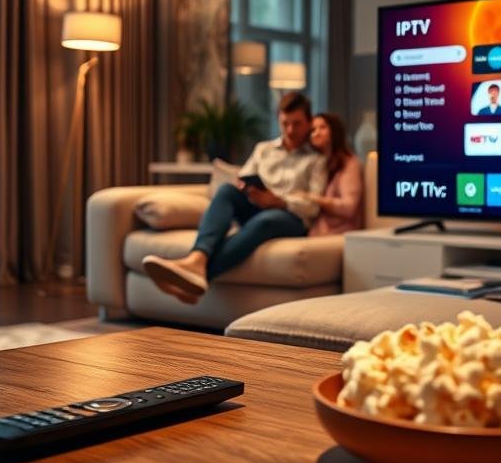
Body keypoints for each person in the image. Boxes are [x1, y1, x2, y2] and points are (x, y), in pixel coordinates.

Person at [143, 92, 327, 304]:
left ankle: (199, 275)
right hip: (255, 206)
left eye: (297, 124)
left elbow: (313, 206)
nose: (290, 130)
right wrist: (247, 188)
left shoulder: (317, 159)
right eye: (285, 123)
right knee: (226, 192)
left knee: (266, 220)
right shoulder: (264, 149)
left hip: (289, 217)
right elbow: (242, 179)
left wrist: (277, 201)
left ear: (309, 122)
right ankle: (197, 259)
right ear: (278, 119)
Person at [293, 112, 365, 235]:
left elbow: (349, 207)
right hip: (315, 229)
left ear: (334, 131)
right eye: (312, 130)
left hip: (340, 231)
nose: (316, 133)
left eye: (322, 127)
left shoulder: (349, 163)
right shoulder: (317, 163)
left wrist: (313, 198)